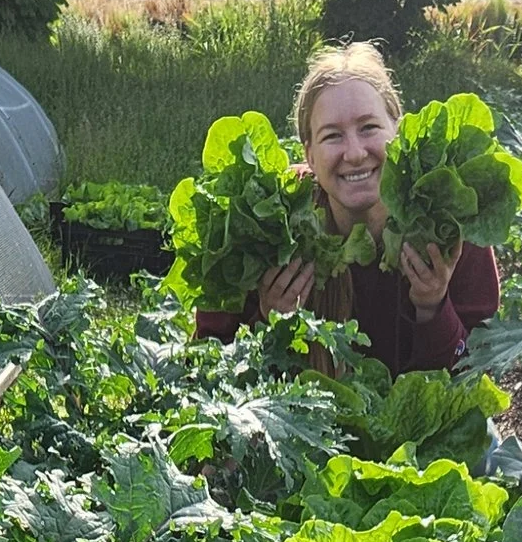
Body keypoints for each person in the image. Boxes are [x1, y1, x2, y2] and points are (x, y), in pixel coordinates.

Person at [194, 41, 501, 376]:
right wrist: (268, 323)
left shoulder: (446, 219)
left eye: (369, 128)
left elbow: (478, 371)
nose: (354, 153)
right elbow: (209, 367)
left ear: (397, 130)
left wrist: (433, 307)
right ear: (309, 154)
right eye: (332, 136)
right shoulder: (266, 220)